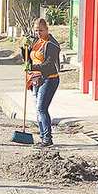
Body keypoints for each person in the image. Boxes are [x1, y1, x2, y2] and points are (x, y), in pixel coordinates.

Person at [28, 18, 61, 147]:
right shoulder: (37, 42)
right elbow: (30, 58)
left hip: (49, 78)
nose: (38, 33)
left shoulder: (52, 44)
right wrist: (24, 50)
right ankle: (42, 136)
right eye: (36, 30)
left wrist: (33, 68)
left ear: (47, 29)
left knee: (42, 108)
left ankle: (47, 138)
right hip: (36, 79)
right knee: (38, 109)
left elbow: (48, 65)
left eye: (41, 30)